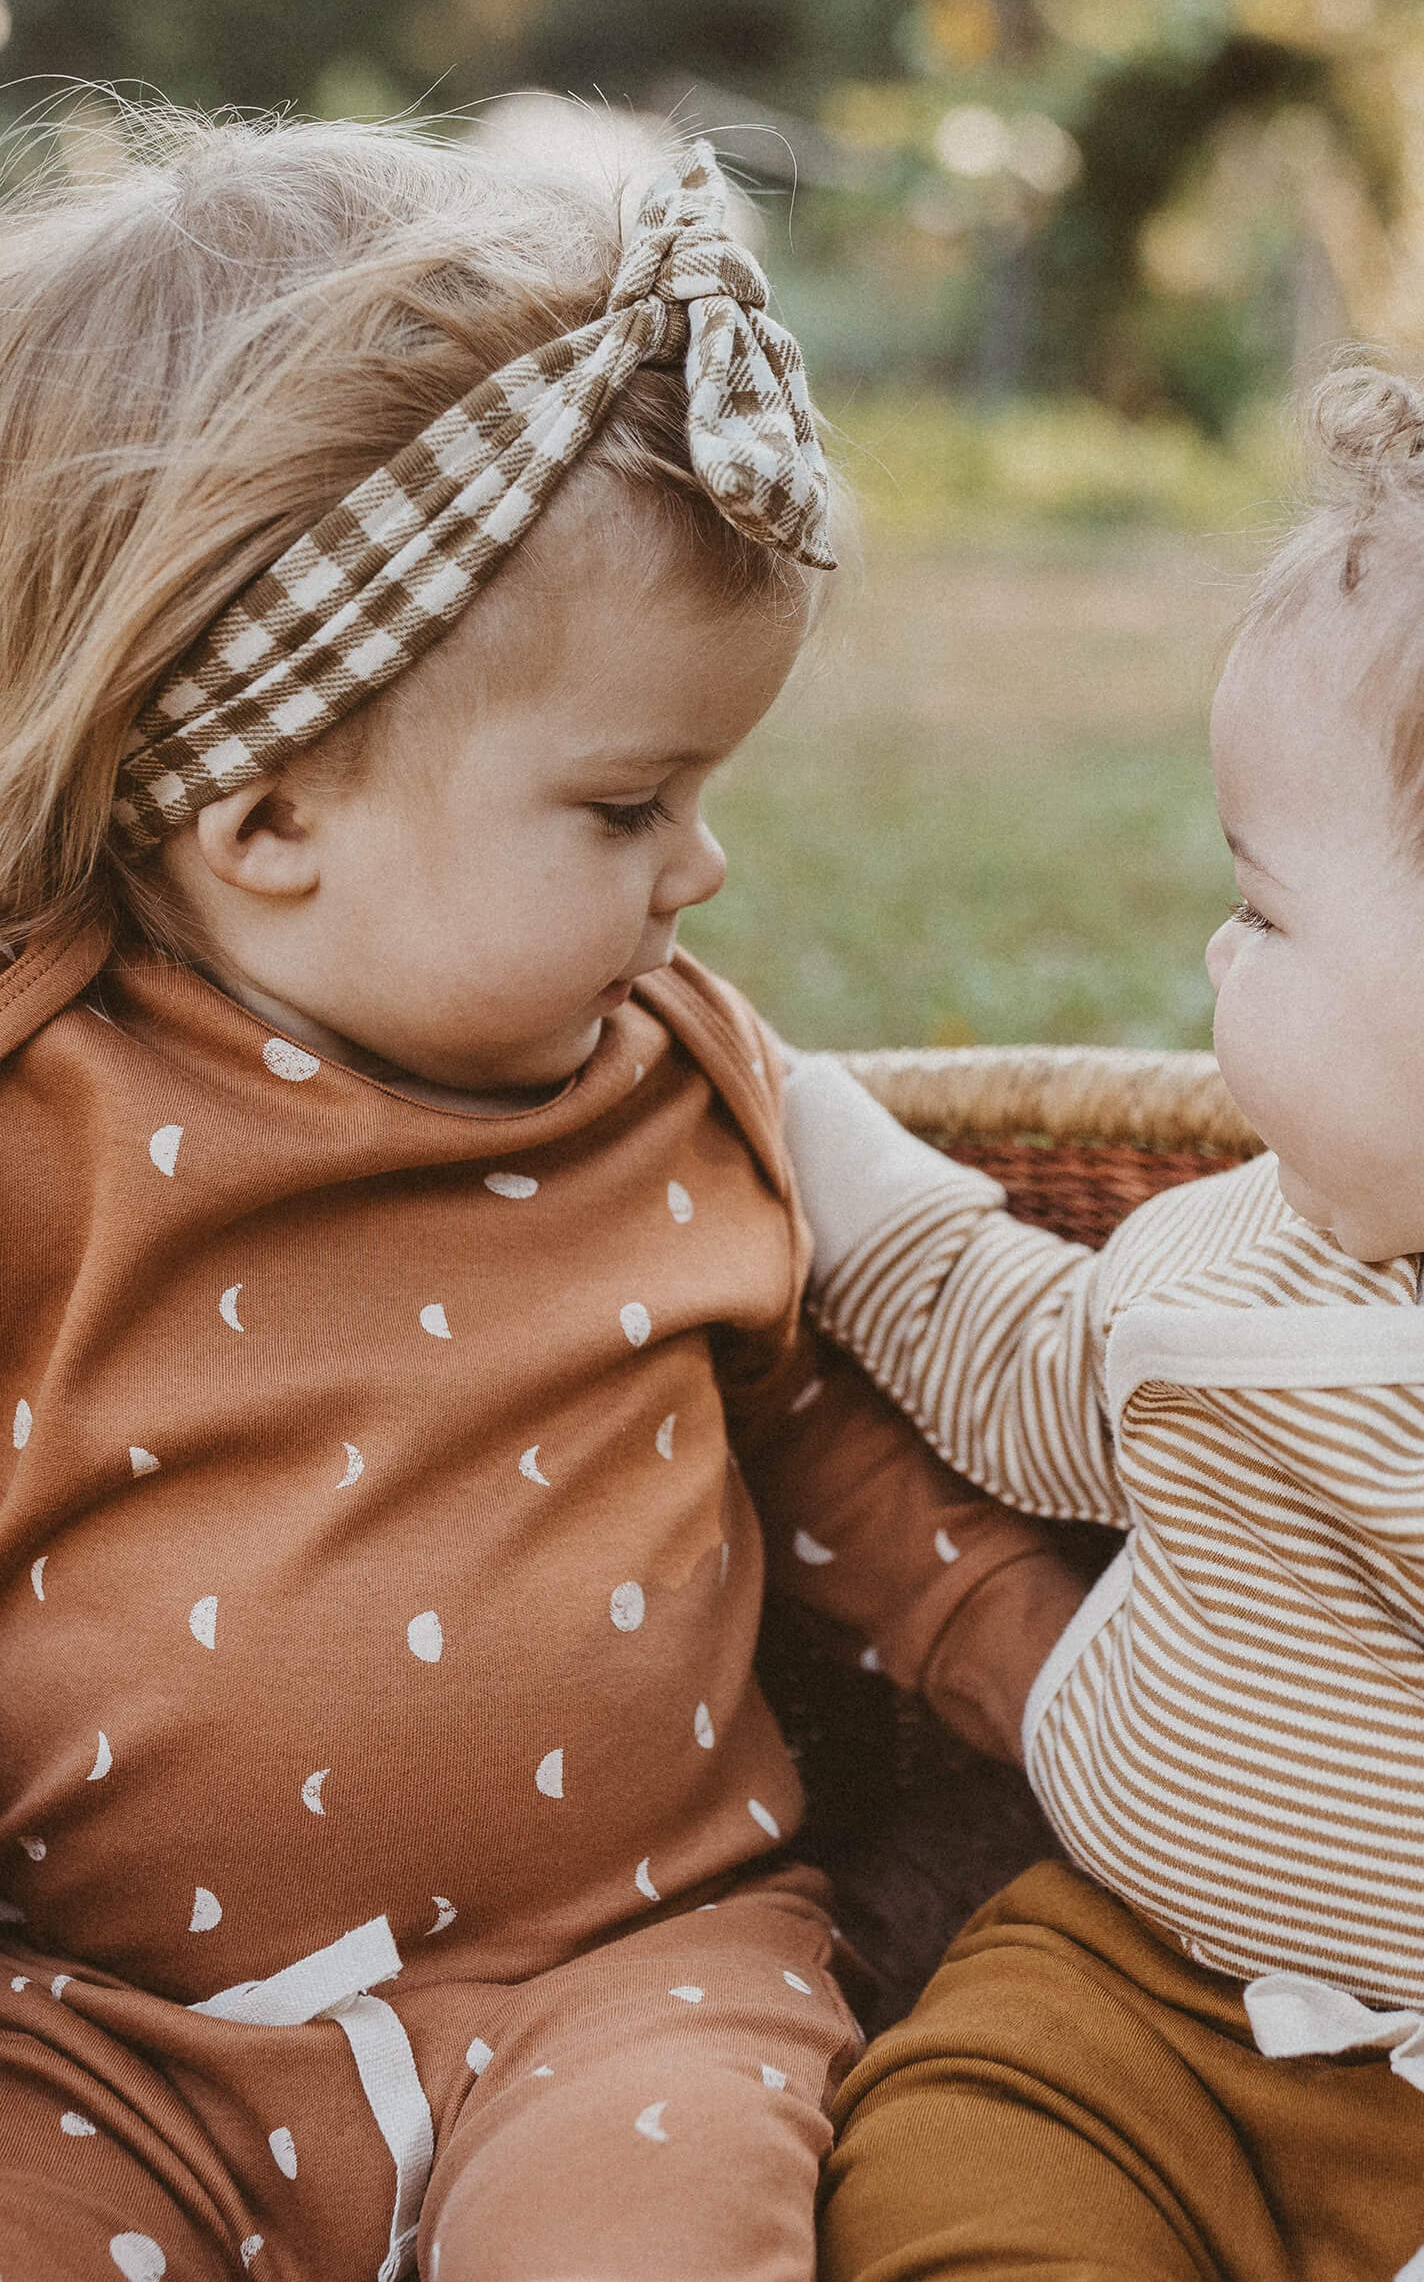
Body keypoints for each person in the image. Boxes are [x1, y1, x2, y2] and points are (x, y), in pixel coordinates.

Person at [0, 112, 1084, 2282]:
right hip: (96, 2038)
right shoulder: (48, 1121)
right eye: (627, 801)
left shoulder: (674, 1079)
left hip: (628, 1976)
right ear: (268, 804)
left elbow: (825, 1457)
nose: (703, 870)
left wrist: (1107, 1699)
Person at [781, 288, 1424, 2282]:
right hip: (1135, 1996)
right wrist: (821, 1152)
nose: (1219, 961)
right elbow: (1044, 1364)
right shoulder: (1293, 1224)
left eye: (1264, 908)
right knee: (940, 2157)